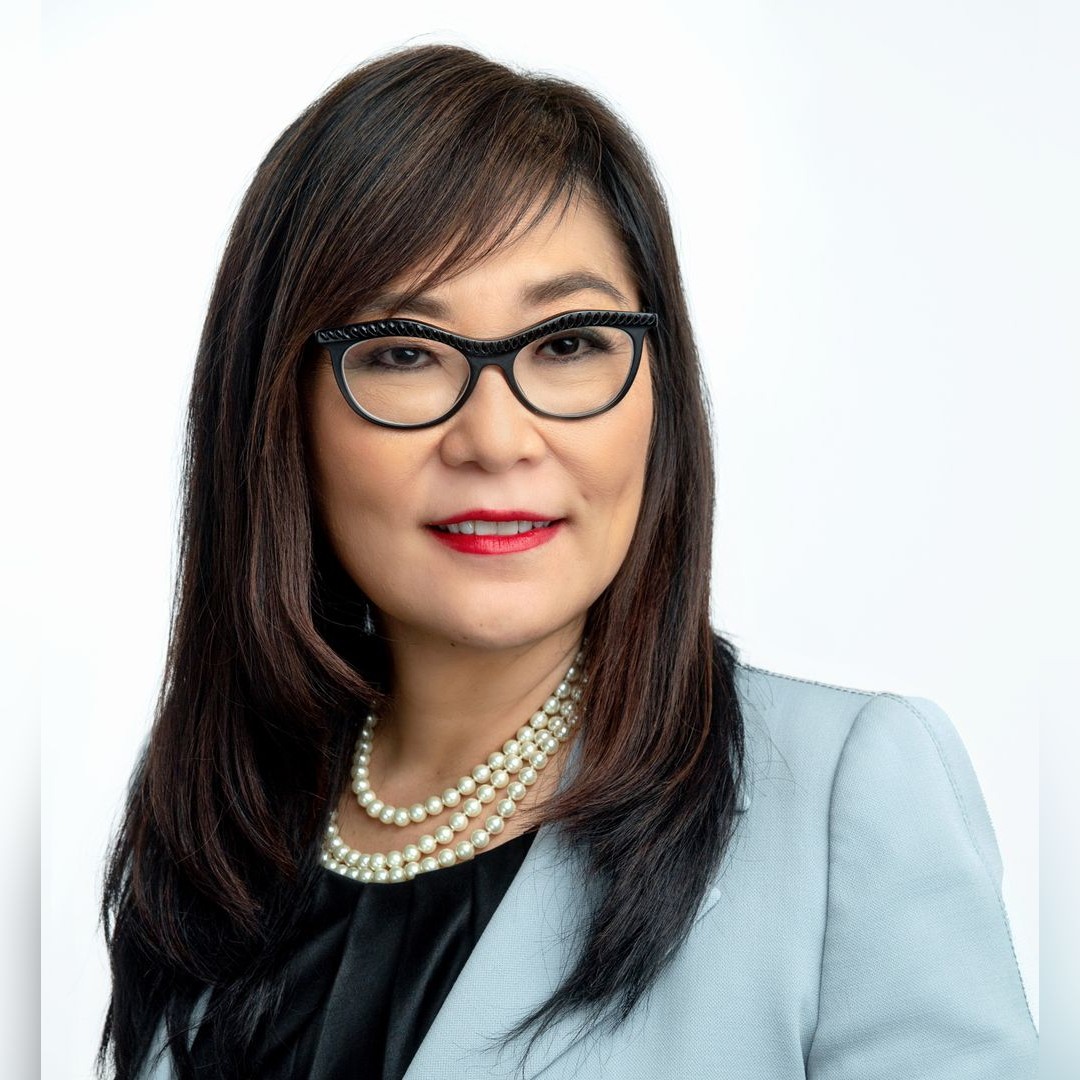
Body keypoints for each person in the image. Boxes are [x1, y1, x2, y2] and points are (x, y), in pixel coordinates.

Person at [98, 43, 1037, 1080]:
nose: (495, 438)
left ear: (656, 393)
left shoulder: (842, 791)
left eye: (568, 341)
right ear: (282, 412)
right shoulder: (218, 823)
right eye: (404, 351)